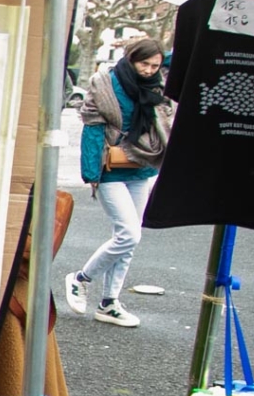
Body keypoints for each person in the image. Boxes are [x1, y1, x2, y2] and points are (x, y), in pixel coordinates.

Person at [63, 38, 173, 328]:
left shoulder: (157, 86)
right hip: (110, 168)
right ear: (130, 58)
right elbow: (92, 127)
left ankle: (109, 302)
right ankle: (80, 278)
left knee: (129, 240)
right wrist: (92, 174)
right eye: (144, 64)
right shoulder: (106, 84)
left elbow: (179, 60)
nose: (149, 70)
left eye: (155, 65)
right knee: (129, 235)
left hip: (142, 166)